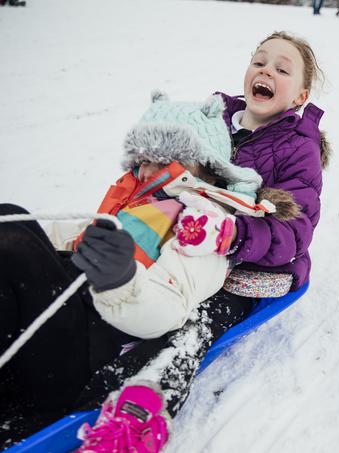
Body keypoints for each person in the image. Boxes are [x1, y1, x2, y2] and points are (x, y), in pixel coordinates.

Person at [0, 93, 301, 449]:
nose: (141, 172)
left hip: (86, 350)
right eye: (139, 161)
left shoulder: (202, 224)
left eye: (154, 160)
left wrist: (121, 279)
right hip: (62, 324)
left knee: (12, 240)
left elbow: (169, 312)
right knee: (12, 221)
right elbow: (65, 235)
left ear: (199, 164)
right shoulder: (142, 205)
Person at [76, 31, 329, 452]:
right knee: (116, 276)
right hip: (176, 239)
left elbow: (294, 229)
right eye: (259, 61)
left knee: (194, 323)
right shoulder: (209, 120)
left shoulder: (298, 149)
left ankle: (138, 410)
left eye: (282, 69)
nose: (266, 70)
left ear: (300, 94)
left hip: (244, 265)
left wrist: (233, 234)